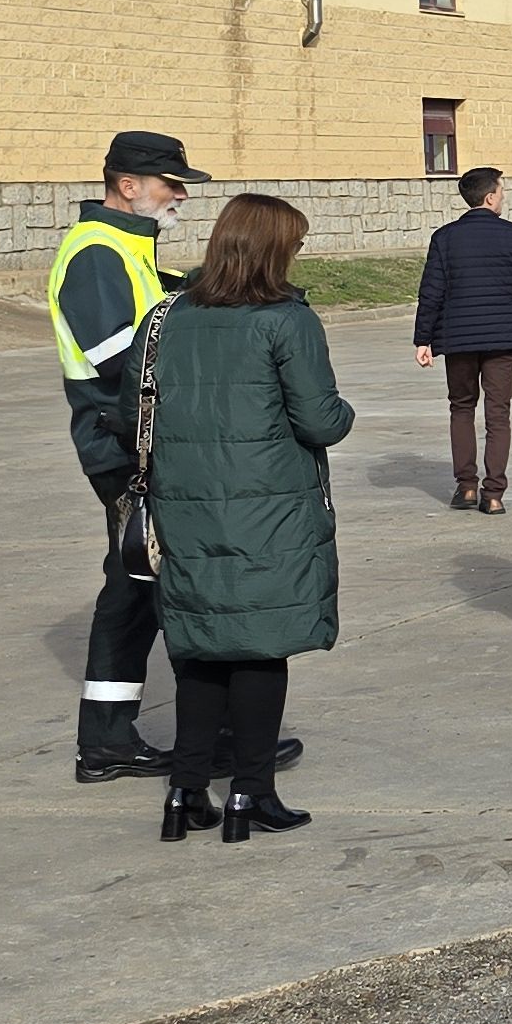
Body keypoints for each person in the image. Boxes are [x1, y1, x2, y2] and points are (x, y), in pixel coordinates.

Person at [48, 128, 296, 786]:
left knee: (137, 587)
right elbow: (122, 360)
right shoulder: (98, 253)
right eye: (171, 183)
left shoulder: (128, 250)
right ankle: (212, 737)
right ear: (128, 186)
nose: (182, 196)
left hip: (142, 441)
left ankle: (112, 740)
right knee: (180, 581)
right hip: (126, 445)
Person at [136, 193, 353, 843]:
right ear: (274, 249)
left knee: (201, 646)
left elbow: (135, 411)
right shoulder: (286, 319)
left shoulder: (166, 315)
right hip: (268, 510)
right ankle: (251, 795)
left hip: (186, 506)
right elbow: (321, 420)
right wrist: (345, 414)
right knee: (259, 646)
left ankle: (185, 793)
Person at [414, 165, 512, 513]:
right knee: (498, 414)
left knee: (461, 407)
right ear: (490, 197)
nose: (503, 197)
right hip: (504, 339)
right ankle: (493, 495)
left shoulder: (444, 238)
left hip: (458, 338)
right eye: (502, 192)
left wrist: (423, 339)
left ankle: (467, 487)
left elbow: (431, 292)